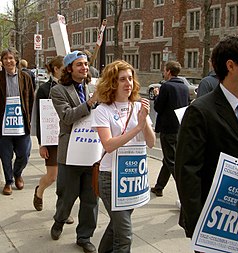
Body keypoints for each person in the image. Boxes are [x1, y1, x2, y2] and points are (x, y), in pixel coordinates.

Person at [175, 34, 238, 244]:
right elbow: (187, 171)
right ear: (231, 66)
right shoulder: (200, 110)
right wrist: (198, 224)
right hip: (211, 219)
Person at [91, 60, 155, 252]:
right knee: (125, 234)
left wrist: (144, 121)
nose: (128, 83)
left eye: (130, 78)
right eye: (122, 80)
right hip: (111, 177)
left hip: (133, 177)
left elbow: (151, 143)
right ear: (112, 83)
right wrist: (137, 127)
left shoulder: (138, 107)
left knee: (116, 226)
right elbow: (109, 145)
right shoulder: (103, 110)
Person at [49, 50, 98, 253]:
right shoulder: (58, 90)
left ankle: (84, 236)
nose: (84, 68)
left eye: (86, 64)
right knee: (66, 196)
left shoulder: (93, 87)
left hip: (92, 151)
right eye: (79, 65)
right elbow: (67, 117)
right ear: (69, 68)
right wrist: (89, 103)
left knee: (91, 199)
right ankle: (59, 220)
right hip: (70, 152)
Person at [0, 48, 34, 196]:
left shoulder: (25, 77)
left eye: (10, 58)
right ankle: (8, 181)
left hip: (21, 124)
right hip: (3, 124)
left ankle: (17, 173)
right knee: (5, 155)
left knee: (24, 154)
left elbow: (31, 100)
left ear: (16, 60)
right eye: (5, 58)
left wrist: (32, 121)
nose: (8, 61)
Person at [32, 55, 73, 226]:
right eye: (65, 67)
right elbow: (41, 119)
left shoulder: (71, 86)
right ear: (56, 69)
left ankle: (62, 211)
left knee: (67, 179)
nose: (68, 71)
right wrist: (42, 144)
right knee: (52, 176)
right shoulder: (44, 90)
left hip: (69, 137)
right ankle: (39, 191)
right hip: (52, 139)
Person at [151, 61, 189, 197]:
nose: (164, 72)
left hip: (167, 129)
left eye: (164, 70)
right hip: (179, 127)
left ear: (168, 71)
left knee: (171, 161)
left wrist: (156, 95)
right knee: (168, 159)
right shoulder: (184, 87)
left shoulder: (166, 86)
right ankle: (159, 187)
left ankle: (185, 192)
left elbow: (158, 107)